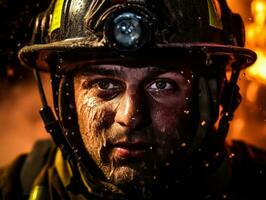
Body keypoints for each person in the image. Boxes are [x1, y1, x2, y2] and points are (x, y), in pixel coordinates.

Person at [0, 0, 266, 199]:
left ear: (213, 94)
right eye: (104, 84)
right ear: (67, 99)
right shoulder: (12, 189)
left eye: (162, 85)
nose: (130, 116)